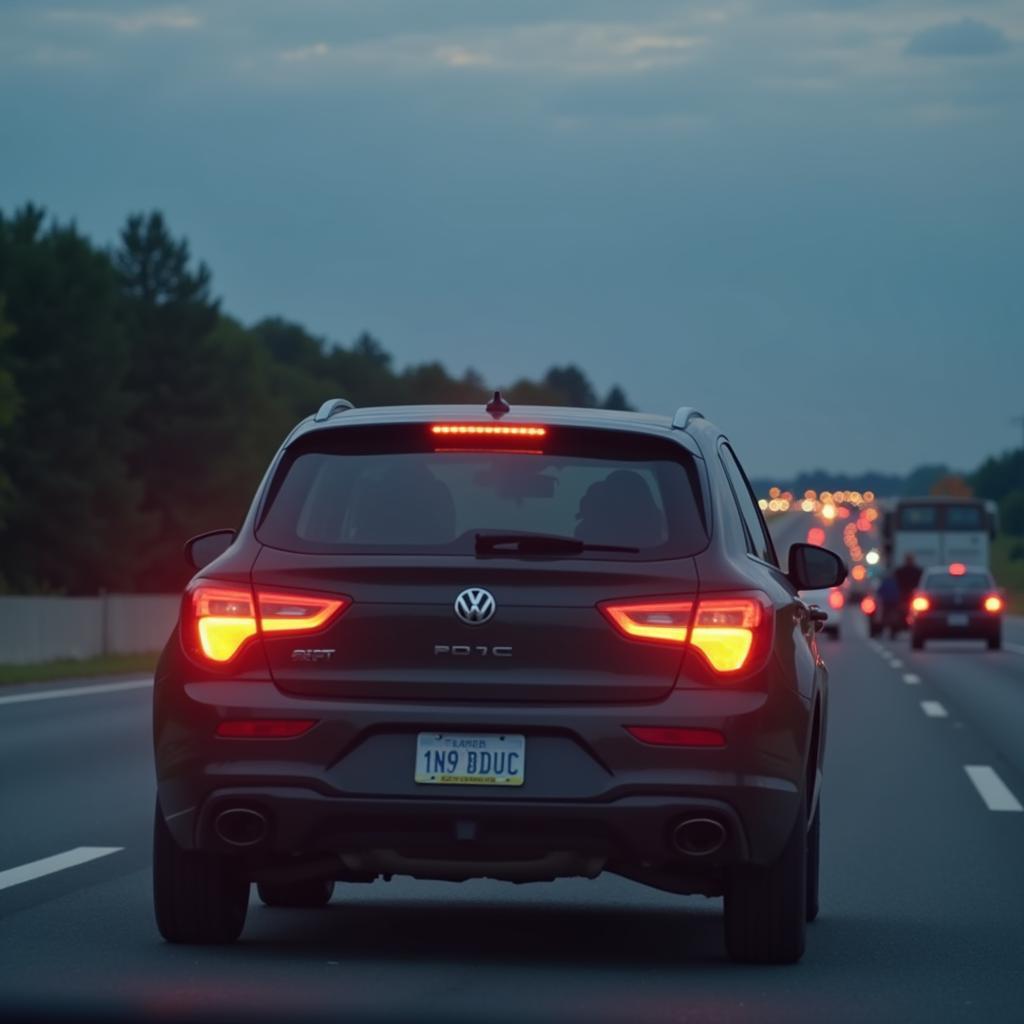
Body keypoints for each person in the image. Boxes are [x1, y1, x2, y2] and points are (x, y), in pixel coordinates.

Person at [877, 573, 903, 639]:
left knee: (885, 617)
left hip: (887, 602)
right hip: (893, 602)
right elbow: (898, 592)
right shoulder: (895, 582)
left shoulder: (885, 582)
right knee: (893, 618)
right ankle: (892, 633)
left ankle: (881, 632)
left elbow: (880, 591)